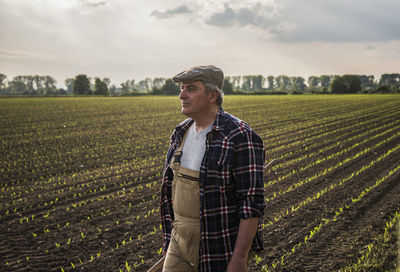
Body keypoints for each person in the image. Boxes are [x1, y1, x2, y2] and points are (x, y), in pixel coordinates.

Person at [160, 65, 265, 272]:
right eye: (181, 88)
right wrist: (168, 242)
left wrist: (239, 259)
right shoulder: (180, 133)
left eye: (190, 88)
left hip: (218, 244)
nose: (182, 95)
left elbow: (251, 204)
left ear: (212, 95)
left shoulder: (239, 136)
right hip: (178, 241)